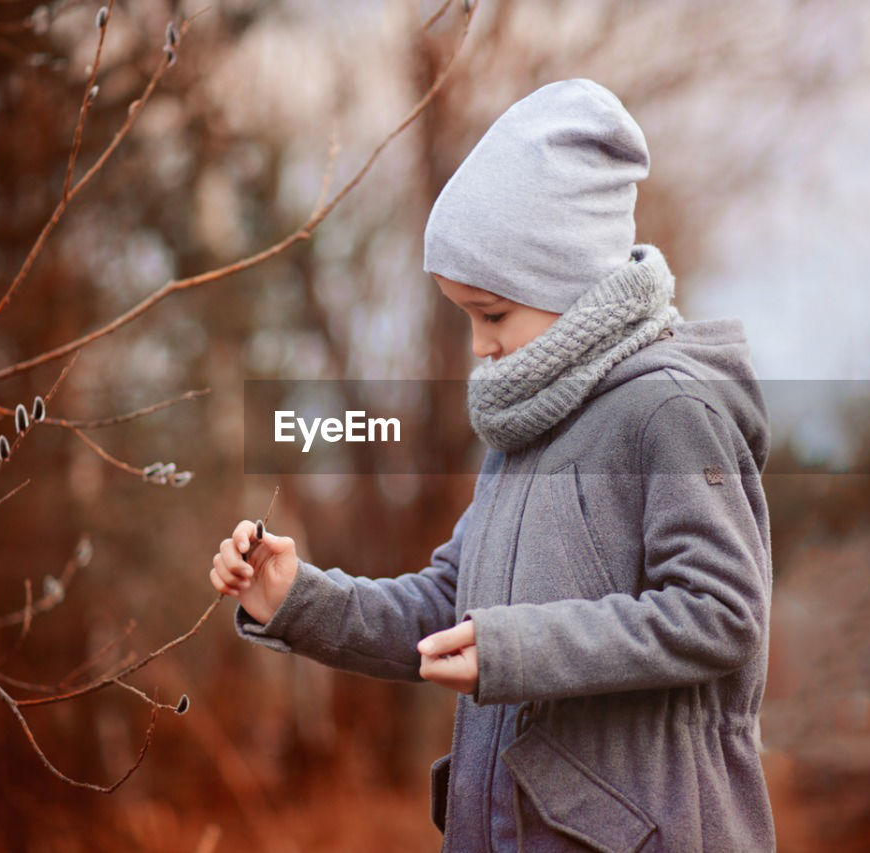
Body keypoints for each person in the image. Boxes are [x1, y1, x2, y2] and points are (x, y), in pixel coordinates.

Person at [210, 78, 775, 852]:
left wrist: (515, 649)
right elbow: (453, 609)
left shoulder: (671, 411)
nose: (481, 346)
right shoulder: (526, 430)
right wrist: (297, 599)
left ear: (571, 282)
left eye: (493, 314)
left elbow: (723, 613)